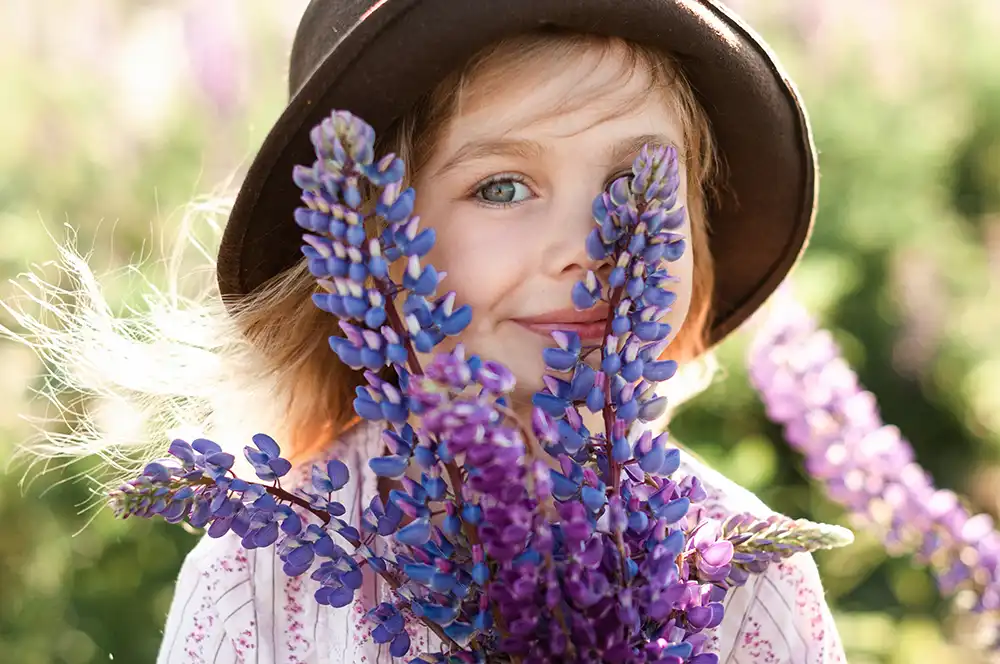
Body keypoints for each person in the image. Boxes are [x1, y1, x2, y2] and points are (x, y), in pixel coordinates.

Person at [3, 1, 844, 662]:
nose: (590, 249)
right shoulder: (258, 576)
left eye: (636, 184)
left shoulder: (737, 567)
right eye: (504, 188)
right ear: (381, 251)